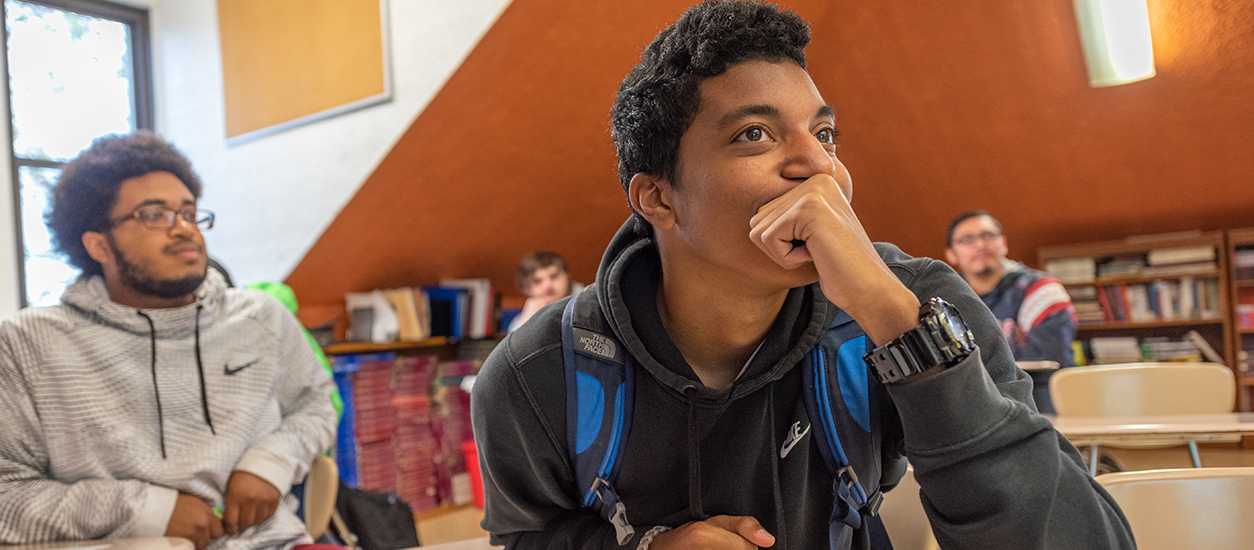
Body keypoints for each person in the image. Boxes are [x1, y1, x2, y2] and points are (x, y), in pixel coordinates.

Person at [470, 2, 1133, 549]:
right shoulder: (536, 373)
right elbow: (529, 538)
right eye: (754, 134)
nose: (820, 167)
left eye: (826, 133)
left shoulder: (920, 305)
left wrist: (899, 326)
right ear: (658, 199)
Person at [0, 132, 338, 550]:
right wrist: (146, 511)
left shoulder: (261, 317)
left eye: (188, 212)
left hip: (272, 543)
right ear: (99, 245)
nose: (184, 228)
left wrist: (271, 462)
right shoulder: (31, 343)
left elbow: (314, 405)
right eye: (154, 214)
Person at [945, 211, 1078, 413]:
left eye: (988, 236)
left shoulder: (1042, 289)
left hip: (1042, 403)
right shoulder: (943, 300)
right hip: (973, 405)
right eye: (967, 240)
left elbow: (1046, 358)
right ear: (951, 254)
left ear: (1004, 243)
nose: (980, 244)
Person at [506, 251, 583, 332]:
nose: (548, 285)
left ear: (568, 277)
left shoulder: (591, 302)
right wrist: (527, 322)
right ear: (526, 289)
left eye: (554, 276)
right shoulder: (520, 322)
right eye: (537, 281)